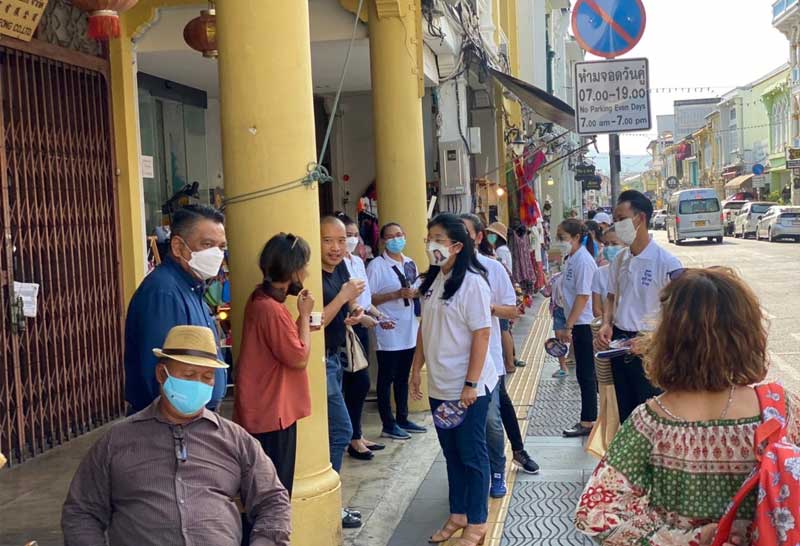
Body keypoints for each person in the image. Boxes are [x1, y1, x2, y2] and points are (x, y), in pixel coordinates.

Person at [575, 268, 800, 546]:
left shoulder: (650, 421)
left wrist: (687, 539)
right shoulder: (781, 410)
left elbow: (595, 513)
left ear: (668, 338)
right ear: (747, 334)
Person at [62, 326, 291, 546]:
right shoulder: (117, 440)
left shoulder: (235, 439)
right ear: (162, 374)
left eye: (207, 377)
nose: (199, 384)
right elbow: (81, 511)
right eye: (189, 374)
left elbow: (273, 501)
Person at [411, 213, 497, 546]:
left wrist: (471, 384)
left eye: (439, 239)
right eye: (429, 238)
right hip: (441, 386)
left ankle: (477, 521)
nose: (431, 245)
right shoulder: (433, 281)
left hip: (467, 388)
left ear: (457, 246)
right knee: (452, 454)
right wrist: (415, 369)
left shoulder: (473, 283)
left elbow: (482, 334)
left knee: (472, 454)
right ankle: (458, 513)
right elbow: (425, 328)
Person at [462, 214, 540, 498]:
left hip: (488, 360)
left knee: (491, 421)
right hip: (455, 363)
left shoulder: (492, 268)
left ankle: (499, 468)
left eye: (465, 232)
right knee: (464, 426)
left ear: (478, 237)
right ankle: (473, 473)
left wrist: (487, 308)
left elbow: (512, 309)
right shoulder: (442, 272)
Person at [234, 233, 317, 494]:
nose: (306, 273)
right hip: (271, 411)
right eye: (303, 266)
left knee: (265, 488)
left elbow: (284, 345)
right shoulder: (270, 308)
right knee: (275, 491)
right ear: (292, 270)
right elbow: (298, 357)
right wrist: (304, 316)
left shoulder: (261, 299)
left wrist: (302, 323)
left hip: (265, 408)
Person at [124, 205, 227, 414]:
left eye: (221, 247)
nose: (216, 254)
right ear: (178, 247)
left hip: (194, 419)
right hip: (172, 424)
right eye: (207, 244)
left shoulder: (192, 288)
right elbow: (160, 379)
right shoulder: (164, 293)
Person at [597, 190, 683, 423]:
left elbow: (679, 314)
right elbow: (611, 297)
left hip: (650, 346)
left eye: (621, 218)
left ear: (640, 218)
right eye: (615, 219)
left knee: (652, 414)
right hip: (620, 343)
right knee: (626, 414)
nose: (617, 225)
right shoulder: (620, 259)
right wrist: (606, 323)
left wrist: (651, 341)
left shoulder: (667, 263)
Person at [320, 215, 366, 529]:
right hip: (319, 362)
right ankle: (329, 504)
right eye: (328, 241)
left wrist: (355, 311)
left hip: (335, 357)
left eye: (341, 240)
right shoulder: (310, 273)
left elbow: (348, 305)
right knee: (341, 431)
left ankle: (332, 501)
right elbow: (316, 320)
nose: (336, 248)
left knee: (334, 432)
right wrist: (343, 298)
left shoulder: (341, 268)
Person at [367, 222, 427, 440]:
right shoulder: (377, 266)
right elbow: (368, 298)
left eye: (399, 235)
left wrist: (415, 293)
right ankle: (388, 423)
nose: (396, 239)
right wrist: (395, 295)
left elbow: (417, 289)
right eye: (391, 236)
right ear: (383, 241)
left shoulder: (410, 263)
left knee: (403, 375)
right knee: (387, 377)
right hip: (388, 327)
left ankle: (403, 417)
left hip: (409, 326)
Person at [340, 214, 390, 459]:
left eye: (353, 235)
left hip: (362, 322)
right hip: (348, 325)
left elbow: (364, 298)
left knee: (360, 382)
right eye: (345, 236)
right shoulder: (338, 263)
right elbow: (345, 300)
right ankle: (352, 437)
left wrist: (378, 315)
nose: (350, 240)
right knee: (355, 382)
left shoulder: (358, 261)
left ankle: (357, 434)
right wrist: (362, 318)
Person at [556, 219, 598, 438]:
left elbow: (583, 296)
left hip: (584, 323)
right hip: (578, 322)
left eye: (562, 237)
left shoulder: (583, 260)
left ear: (576, 237)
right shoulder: (572, 258)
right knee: (584, 373)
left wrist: (568, 326)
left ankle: (588, 421)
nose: (559, 241)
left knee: (586, 374)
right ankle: (590, 418)